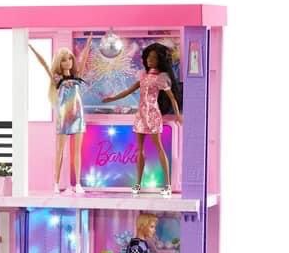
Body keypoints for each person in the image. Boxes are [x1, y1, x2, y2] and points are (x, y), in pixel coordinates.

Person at [101, 42, 183, 196]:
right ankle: (137, 184)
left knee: (159, 148)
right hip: (140, 116)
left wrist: (178, 114)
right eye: (148, 57)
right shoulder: (143, 76)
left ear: (160, 60)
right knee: (140, 150)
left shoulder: (161, 78)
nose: (150, 60)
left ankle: (167, 185)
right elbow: (128, 91)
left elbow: (172, 98)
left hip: (152, 114)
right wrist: (111, 99)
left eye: (154, 58)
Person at [29, 37, 93, 193]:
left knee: (77, 152)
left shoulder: (77, 76)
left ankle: (77, 184)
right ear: (59, 62)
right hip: (64, 117)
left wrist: (88, 44)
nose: (68, 62)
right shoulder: (57, 78)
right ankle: (56, 183)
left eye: (70, 59)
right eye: (64, 60)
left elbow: (83, 60)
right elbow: (44, 64)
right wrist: (33, 49)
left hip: (78, 116)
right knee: (60, 151)